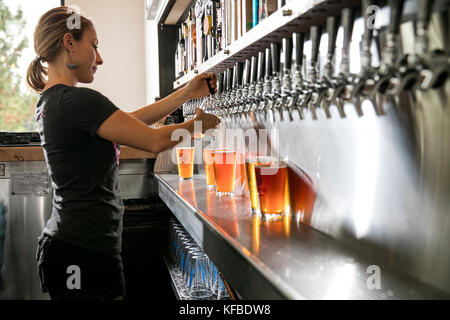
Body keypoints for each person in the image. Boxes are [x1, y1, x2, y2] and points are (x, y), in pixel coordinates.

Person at [27, 7, 220, 300]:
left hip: (75, 247)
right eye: (94, 46)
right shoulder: (77, 100)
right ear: (69, 42)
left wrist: (185, 94)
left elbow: (129, 121)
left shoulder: (54, 101)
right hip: (82, 253)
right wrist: (197, 125)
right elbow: (153, 141)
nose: (99, 58)